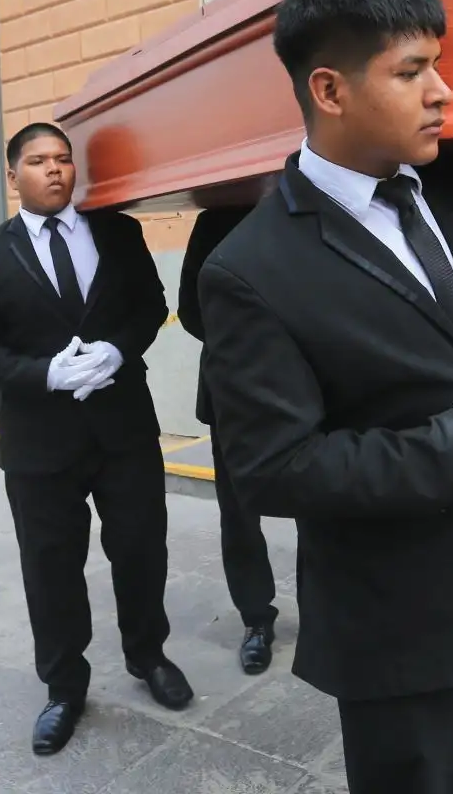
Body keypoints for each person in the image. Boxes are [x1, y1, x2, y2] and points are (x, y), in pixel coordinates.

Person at [196, 0, 453, 794]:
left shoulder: (451, 191)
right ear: (331, 91)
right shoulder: (252, 266)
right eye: (411, 72)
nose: (442, 91)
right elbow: (274, 467)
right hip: (402, 616)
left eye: (437, 65)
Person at [0, 122, 193, 758]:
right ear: (14, 177)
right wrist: (44, 374)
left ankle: (149, 655)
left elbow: (150, 303)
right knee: (51, 566)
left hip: (123, 430)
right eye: (37, 162)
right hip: (39, 442)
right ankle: (64, 686)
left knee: (141, 548)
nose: (54, 171)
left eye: (62, 160)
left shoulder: (118, 232)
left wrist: (119, 350)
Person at [177, 202, 279, 675]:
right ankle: (257, 619)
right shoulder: (216, 218)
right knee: (239, 512)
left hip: (313, 380)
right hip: (233, 385)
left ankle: (326, 607)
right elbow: (190, 308)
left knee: (326, 502)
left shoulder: (310, 203)